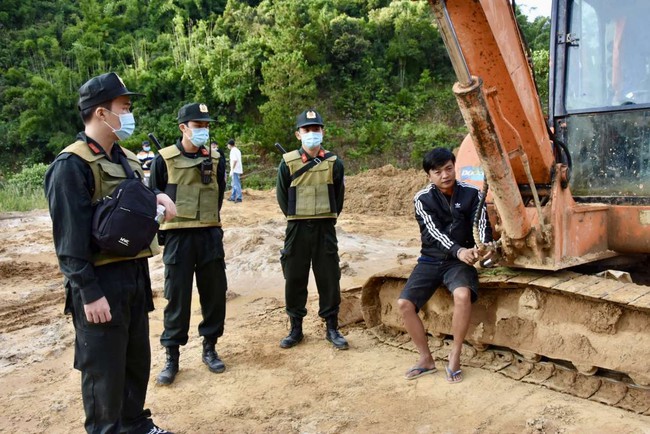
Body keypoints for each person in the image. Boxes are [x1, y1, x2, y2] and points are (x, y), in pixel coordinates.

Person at [44, 72, 176, 434]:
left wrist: (158, 199)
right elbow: (68, 242)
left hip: (134, 277)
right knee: (104, 371)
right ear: (101, 113)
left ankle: (135, 424)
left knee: (136, 362)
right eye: (125, 107)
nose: (129, 114)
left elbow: (133, 210)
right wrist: (89, 292)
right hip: (100, 282)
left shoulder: (127, 159)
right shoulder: (70, 166)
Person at [397, 147, 493, 383]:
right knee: (404, 304)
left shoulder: (472, 194)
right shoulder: (422, 199)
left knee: (462, 295)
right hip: (431, 260)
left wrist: (481, 246)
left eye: (449, 168)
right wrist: (458, 250)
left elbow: (481, 222)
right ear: (429, 175)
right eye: (437, 171)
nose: (445, 175)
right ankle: (426, 359)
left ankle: (455, 355)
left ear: (454, 167)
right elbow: (433, 233)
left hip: (459, 264)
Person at [149, 102, 228, 385]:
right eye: (198, 126)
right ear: (183, 128)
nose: (203, 130)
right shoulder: (163, 159)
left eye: (206, 126)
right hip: (178, 238)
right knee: (177, 299)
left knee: (214, 295)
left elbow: (218, 195)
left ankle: (210, 348)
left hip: (209, 235)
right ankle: (172, 357)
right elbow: (154, 196)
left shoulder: (217, 159)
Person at [276, 108, 348, 350]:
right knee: (294, 278)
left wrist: (325, 218)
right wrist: (299, 217)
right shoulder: (287, 163)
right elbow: (283, 198)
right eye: (307, 130)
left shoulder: (334, 163)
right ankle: (295, 328)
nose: (312, 134)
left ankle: (332, 327)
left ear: (323, 132)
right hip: (296, 229)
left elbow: (338, 198)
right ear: (298, 134)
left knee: (329, 277)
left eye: (316, 129)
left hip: (324, 228)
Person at [227, 138, 243, 202]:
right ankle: (233, 197)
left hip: (235, 169)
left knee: (236, 183)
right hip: (237, 169)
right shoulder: (237, 150)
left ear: (229, 145)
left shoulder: (233, 151)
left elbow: (235, 160)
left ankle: (239, 197)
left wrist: (232, 170)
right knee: (234, 183)